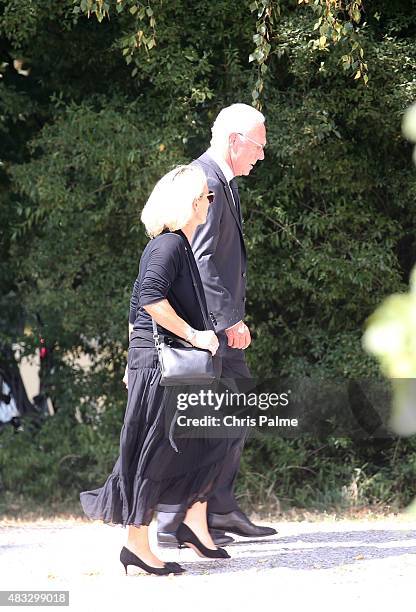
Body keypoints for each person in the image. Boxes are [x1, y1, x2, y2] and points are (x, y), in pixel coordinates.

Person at [80, 164, 233, 576]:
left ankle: (185, 526)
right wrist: (196, 336)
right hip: (161, 370)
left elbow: (134, 310)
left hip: (152, 366)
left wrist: (134, 358)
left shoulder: (175, 245)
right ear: (189, 203)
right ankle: (137, 545)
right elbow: (149, 299)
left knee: (197, 443)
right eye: (206, 197)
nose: (210, 202)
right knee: (158, 454)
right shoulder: (167, 246)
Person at [157, 103, 277, 547]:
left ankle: (215, 509)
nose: (261, 156)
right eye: (258, 146)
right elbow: (202, 259)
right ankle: (175, 519)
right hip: (208, 329)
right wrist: (228, 321)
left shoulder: (221, 181)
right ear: (234, 141)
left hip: (215, 328)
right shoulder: (206, 180)